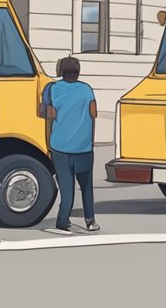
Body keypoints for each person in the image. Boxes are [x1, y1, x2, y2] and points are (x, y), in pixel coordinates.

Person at [43, 56, 100, 235]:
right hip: (84, 148)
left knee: (66, 188)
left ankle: (62, 220)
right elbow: (93, 115)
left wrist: (49, 144)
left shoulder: (52, 89)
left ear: (61, 71)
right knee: (86, 187)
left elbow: (48, 118)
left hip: (59, 147)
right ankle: (90, 220)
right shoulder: (87, 90)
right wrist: (90, 142)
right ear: (78, 72)